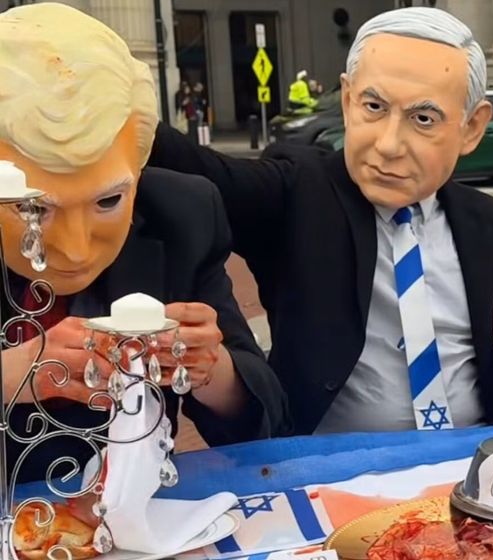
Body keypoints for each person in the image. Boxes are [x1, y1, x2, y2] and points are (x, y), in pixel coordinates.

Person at [148, 7, 493, 434]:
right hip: (337, 472)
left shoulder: (490, 224)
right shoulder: (297, 194)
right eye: (374, 107)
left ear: (472, 128)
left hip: (468, 462)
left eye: (422, 118)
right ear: (346, 100)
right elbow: (196, 167)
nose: (389, 144)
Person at [0, 4, 290, 481]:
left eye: (108, 200)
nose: (74, 249)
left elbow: (265, 424)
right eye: (33, 208)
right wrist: (14, 372)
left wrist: (210, 370)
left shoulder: (183, 215)